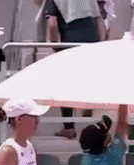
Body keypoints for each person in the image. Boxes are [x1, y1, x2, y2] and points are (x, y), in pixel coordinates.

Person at [45, 0, 105, 139]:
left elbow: (52, 24)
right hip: (92, 38)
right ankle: (89, 114)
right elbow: (99, 20)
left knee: (64, 86)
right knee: (88, 79)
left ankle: (69, 128)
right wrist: (101, 44)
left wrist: (55, 46)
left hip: (71, 40)